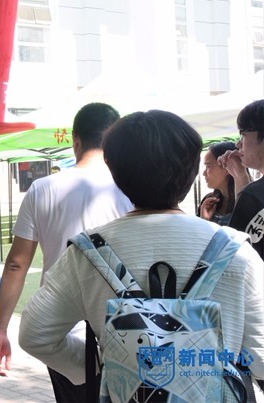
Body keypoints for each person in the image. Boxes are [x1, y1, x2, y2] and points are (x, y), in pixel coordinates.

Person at [18, 110, 264, 398]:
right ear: (190, 170)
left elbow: (35, 335)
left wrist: (104, 367)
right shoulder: (235, 251)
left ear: (114, 169)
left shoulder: (85, 255)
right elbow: (261, 356)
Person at [0, 102, 132, 402]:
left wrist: (0, 329)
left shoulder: (42, 189)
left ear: (75, 140)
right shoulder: (131, 187)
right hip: (123, 328)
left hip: (59, 331)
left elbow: (16, 264)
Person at [220, 99, 264, 260]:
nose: (238, 143)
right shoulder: (253, 194)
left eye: (243, 134)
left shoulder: (253, 195)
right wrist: (240, 176)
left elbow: (235, 257)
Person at [197, 141, 246, 225]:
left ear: (227, 165)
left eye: (208, 166)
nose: (204, 173)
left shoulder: (250, 199)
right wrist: (204, 221)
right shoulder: (208, 202)